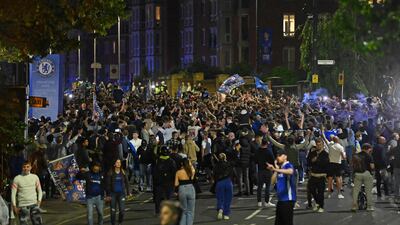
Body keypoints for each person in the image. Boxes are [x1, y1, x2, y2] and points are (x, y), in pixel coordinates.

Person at [267, 149, 296, 225]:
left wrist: (276, 169)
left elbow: (290, 171)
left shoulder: (288, 165)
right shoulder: (279, 168)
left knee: (287, 222)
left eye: (280, 156)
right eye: (277, 156)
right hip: (281, 200)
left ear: (285, 156)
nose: (277, 157)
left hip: (288, 200)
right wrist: (276, 170)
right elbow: (272, 182)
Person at [306, 138, 329, 212]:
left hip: (321, 176)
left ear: (322, 145)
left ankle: (321, 206)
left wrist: (317, 160)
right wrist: (312, 161)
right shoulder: (312, 153)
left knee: (321, 192)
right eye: (317, 144)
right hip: (313, 175)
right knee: (311, 189)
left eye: (320, 144)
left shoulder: (325, 154)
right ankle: (317, 202)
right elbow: (308, 162)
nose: (318, 146)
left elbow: (325, 163)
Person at [106, 159, 131, 225]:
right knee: (113, 211)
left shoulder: (123, 172)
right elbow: (108, 184)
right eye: (117, 162)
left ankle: (120, 221)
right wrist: (108, 195)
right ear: (114, 164)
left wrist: (128, 192)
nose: (119, 163)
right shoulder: (110, 172)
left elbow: (127, 183)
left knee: (122, 210)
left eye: (119, 162)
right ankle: (113, 223)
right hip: (112, 194)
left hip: (121, 194)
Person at [154, 146, 177, 214]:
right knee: (168, 197)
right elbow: (174, 172)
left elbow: (155, 172)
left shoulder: (158, 160)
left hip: (159, 182)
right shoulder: (171, 161)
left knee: (158, 198)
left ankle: (158, 210)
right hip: (169, 182)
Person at [322, 132, 346, 199]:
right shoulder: (340, 147)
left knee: (330, 179)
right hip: (338, 164)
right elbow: (343, 157)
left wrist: (322, 131)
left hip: (330, 163)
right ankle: (339, 193)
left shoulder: (330, 145)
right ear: (338, 140)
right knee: (338, 178)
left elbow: (324, 138)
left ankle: (328, 193)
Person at [351, 143, 375, 211]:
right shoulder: (369, 156)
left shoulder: (357, 155)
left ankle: (354, 206)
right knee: (368, 191)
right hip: (367, 173)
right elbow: (372, 167)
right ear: (368, 149)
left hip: (357, 174)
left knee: (356, 191)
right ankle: (369, 207)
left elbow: (352, 165)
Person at [254, 137, 275, 207]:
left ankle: (259, 202)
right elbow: (272, 160)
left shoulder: (257, 151)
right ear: (267, 143)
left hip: (260, 170)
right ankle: (266, 202)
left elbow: (255, 160)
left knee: (259, 187)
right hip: (268, 170)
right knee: (268, 187)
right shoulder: (269, 151)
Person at [174, 158, 196, 225]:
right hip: (190, 188)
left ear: (181, 164)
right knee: (190, 211)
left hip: (182, 189)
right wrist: (190, 164)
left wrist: (176, 192)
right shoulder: (191, 171)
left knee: (183, 210)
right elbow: (193, 170)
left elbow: (176, 184)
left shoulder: (178, 172)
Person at [213, 153, 233, 220]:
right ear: (225, 158)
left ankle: (220, 208)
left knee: (220, 198)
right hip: (228, 182)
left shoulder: (216, 166)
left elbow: (214, 175)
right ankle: (226, 214)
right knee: (228, 199)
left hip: (219, 183)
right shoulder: (228, 164)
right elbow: (231, 173)